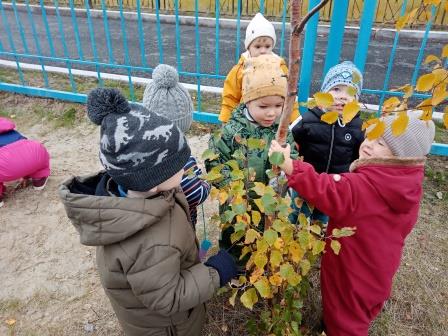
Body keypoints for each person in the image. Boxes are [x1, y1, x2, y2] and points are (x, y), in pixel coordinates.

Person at [59, 88, 237, 336]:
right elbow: (169, 297)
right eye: (179, 166)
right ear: (153, 179)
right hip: (168, 327)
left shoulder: (149, 195)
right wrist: (216, 272)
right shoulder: (150, 245)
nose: (185, 170)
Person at [269, 114, 435, 336]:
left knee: (346, 321)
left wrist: (289, 164)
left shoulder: (363, 186)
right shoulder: (407, 186)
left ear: (401, 156)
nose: (367, 145)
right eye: (370, 137)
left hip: (350, 271)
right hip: (379, 270)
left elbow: (326, 189)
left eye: (380, 143)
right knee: (360, 312)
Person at [206, 54, 298, 262]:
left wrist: (285, 174)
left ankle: (262, 265)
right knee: (236, 234)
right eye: (263, 106)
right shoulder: (232, 130)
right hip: (237, 202)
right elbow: (216, 163)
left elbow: (292, 157)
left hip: (271, 200)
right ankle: (234, 265)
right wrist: (233, 189)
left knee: (268, 234)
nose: (271, 113)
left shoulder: (282, 130)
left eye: (278, 105)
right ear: (247, 100)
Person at [290, 61, 365, 225]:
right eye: (336, 89)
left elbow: (361, 157)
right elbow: (289, 139)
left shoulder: (357, 127)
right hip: (305, 182)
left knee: (323, 221)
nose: (342, 96)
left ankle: (318, 244)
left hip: (334, 187)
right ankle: (292, 243)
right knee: (296, 218)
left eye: (350, 92)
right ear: (324, 92)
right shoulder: (308, 120)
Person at [142, 63, 210, 227]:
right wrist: (206, 183)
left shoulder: (141, 150)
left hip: (148, 223)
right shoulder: (181, 156)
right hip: (179, 226)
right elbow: (196, 194)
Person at [219, 12, 299, 123]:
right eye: (257, 46)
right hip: (246, 121)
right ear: (249, 47)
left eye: (267, 46)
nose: (262, 50)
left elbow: (290, 97)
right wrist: (226, 121)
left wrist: (294, 122)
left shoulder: (279, 67)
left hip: (273, 120)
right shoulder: (240, 69)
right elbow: (230, 97)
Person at [0, 117, 50, 207]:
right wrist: (26, 175)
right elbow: (20, 154)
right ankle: (39, 180)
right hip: (34, 153)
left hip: (6, 165)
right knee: (34, 153)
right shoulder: (10, 130)